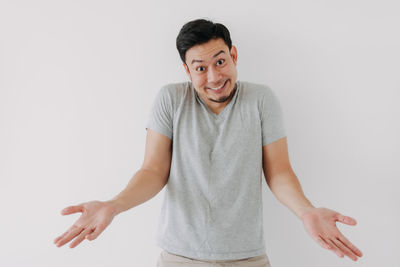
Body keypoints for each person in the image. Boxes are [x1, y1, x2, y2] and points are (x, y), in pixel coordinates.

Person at [53, 19, 363, 266]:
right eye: (200, 68)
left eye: (220, 61)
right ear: (187, 70)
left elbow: (279, 172)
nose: (214, 76)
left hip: (247, 258)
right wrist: (113, 205)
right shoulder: (171, 99)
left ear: (234, 55)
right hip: (180, 257)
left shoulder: (261, 100)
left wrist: (306, 211)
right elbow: (153, 170)